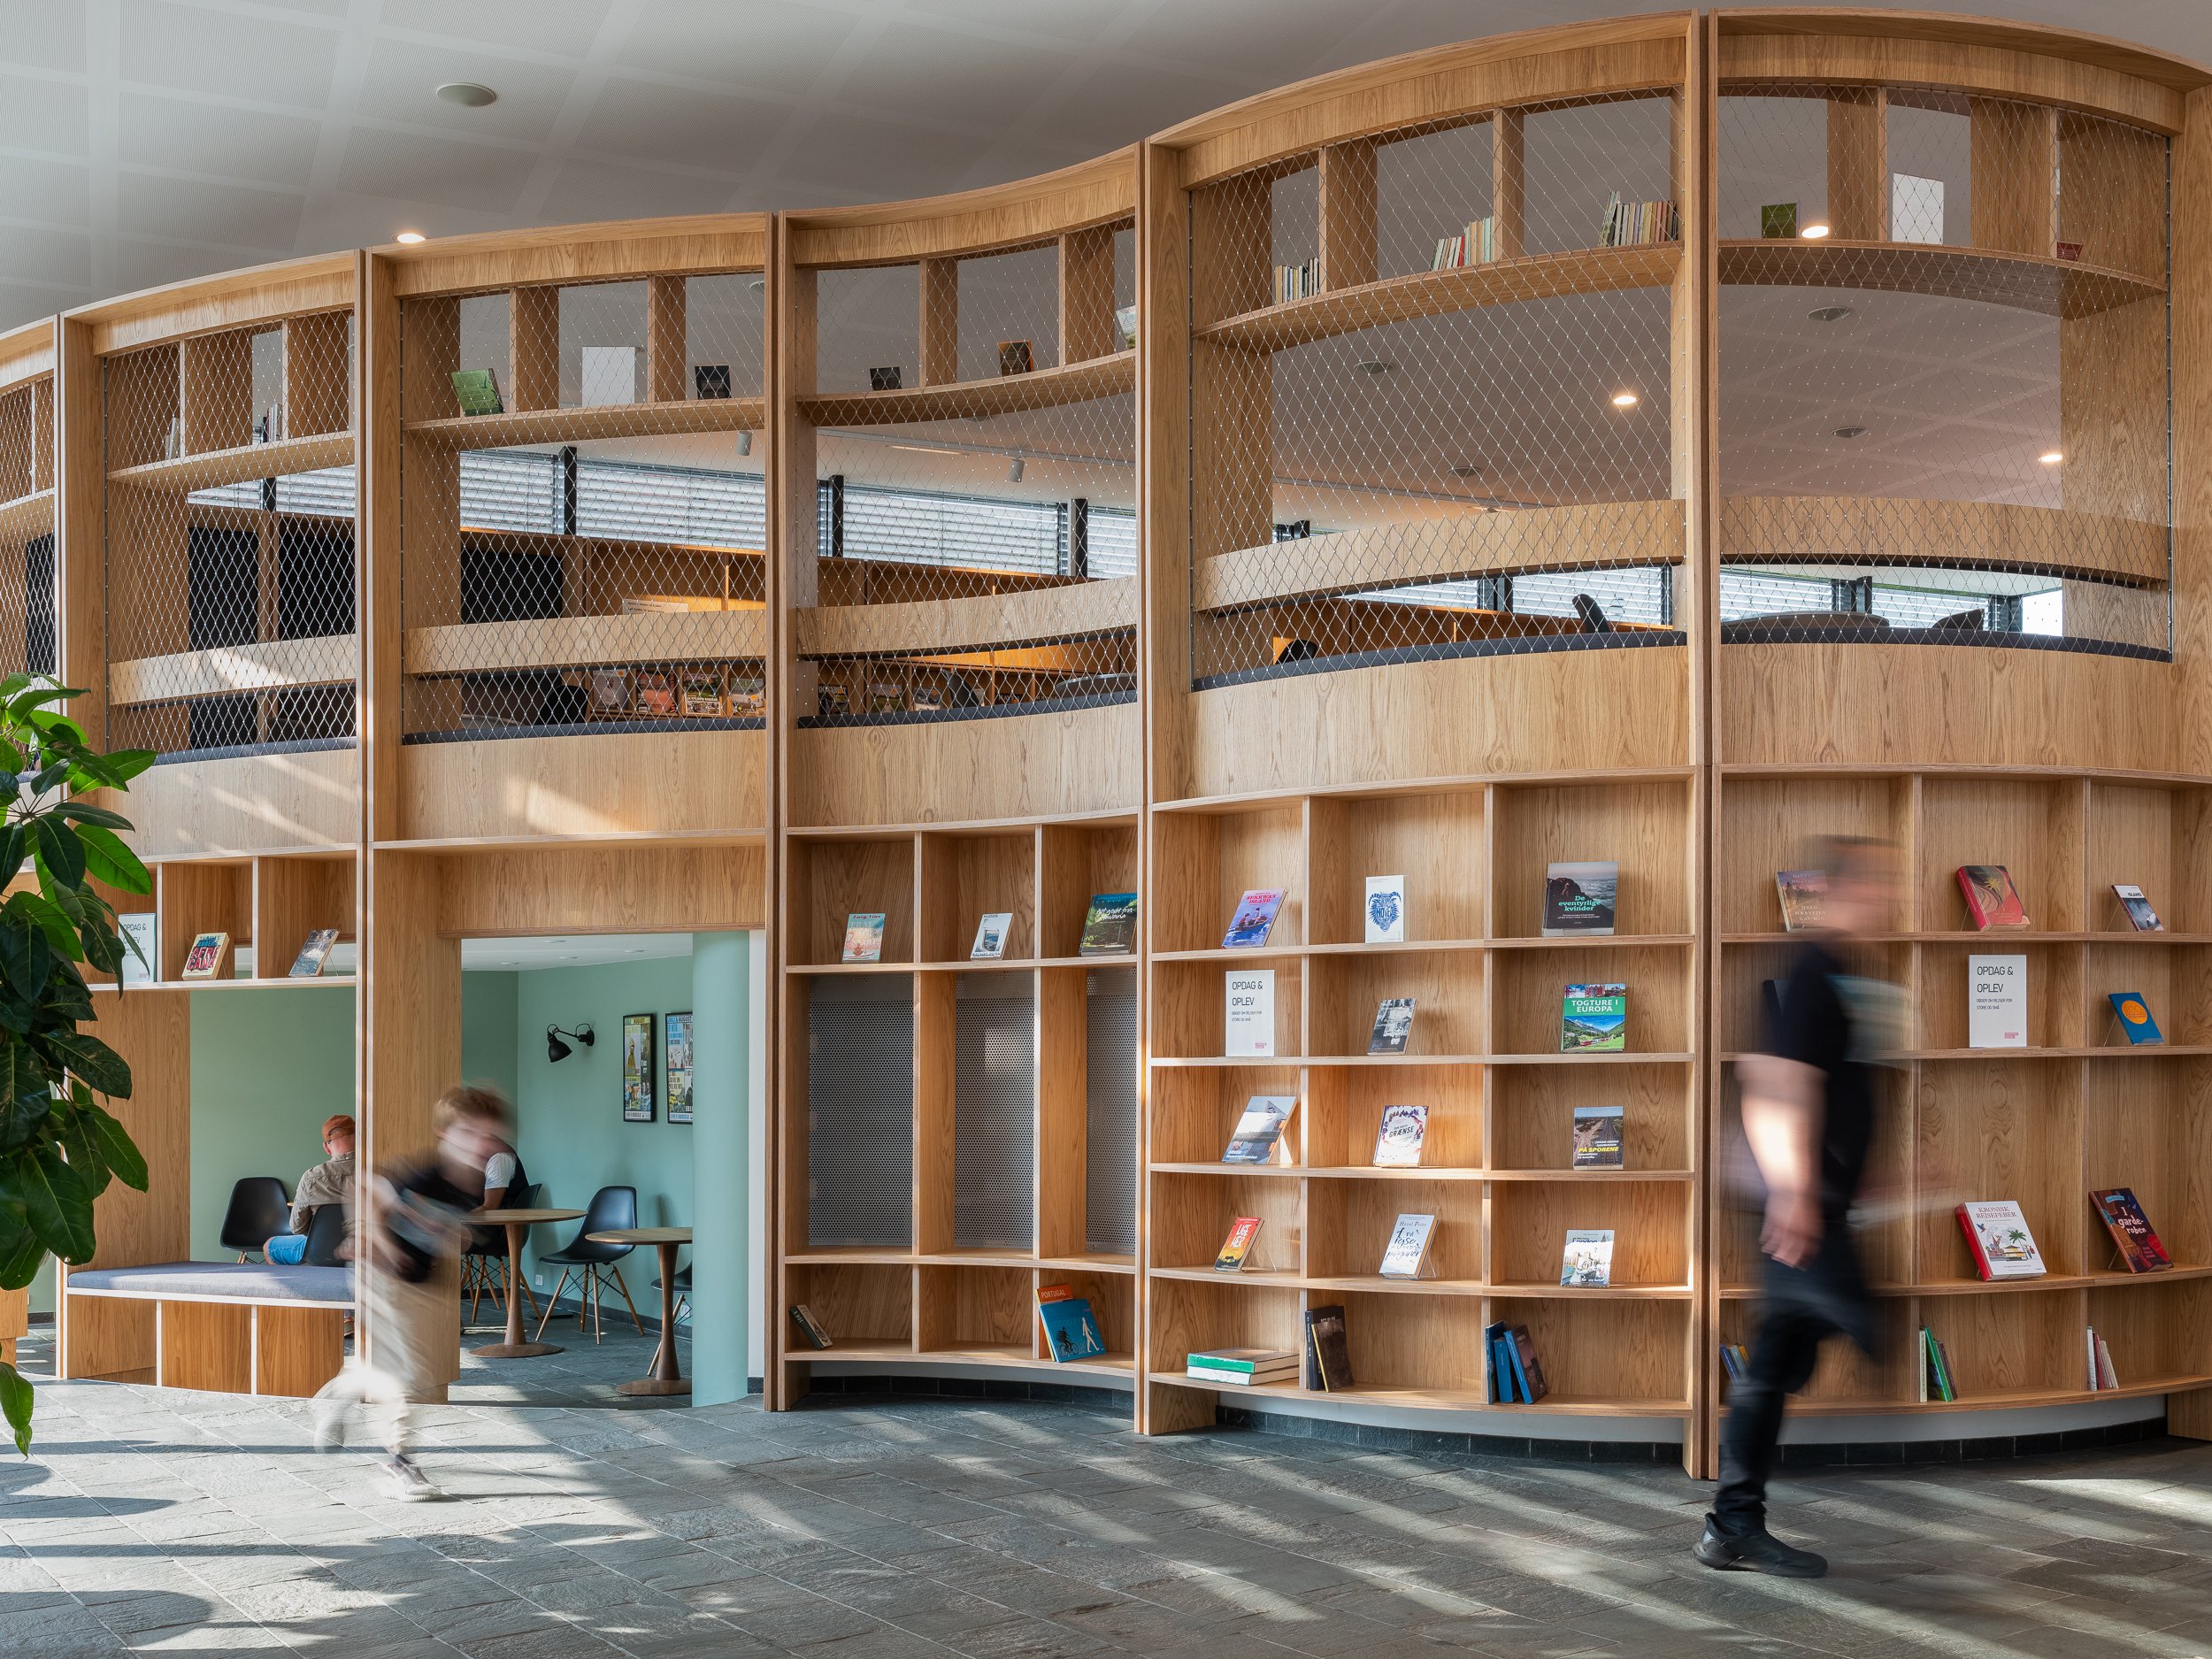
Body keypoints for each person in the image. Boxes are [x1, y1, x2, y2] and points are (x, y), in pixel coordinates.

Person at [1699, 836, 1899, 1578]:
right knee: (1856, 1328)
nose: (1888, 898)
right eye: (1878, 883)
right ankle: (1731, 1524)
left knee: (1775, 1368)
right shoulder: (1815, 969)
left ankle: (1731, 1526)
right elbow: (1772, 1081)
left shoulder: (1843, 972)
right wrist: (1792, 1191)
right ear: (1843, 889)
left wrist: (1869, 1173)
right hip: (1800, 1214)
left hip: (1817, 1207)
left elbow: (1831, 1091)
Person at [315, 1085, 511, 1501]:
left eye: (488, 1135)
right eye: (469, 1132)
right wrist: (375, 1240)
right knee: (407, 1373)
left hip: (413, 1280)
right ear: (445, 1134)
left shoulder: (471, 1183)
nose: (480, 1143)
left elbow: (436, 1224)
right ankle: (398, 1465)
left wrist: (453, 1236)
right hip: (378, 1275)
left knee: (403, 1369)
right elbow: (362, 1188)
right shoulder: (427, 1174)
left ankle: (339, 1393)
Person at [265, 1114, 355, 1265]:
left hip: (322, 1250)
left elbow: (297, 1228)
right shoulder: (376, 1170)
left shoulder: (312, 1178)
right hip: (366, 1250)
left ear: (327, 1147)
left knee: (269, 1247)